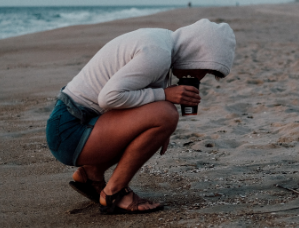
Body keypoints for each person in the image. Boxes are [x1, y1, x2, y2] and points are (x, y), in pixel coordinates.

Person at [46, 19, 236, 213]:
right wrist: (164, 97)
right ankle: (114, 193)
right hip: (69, 131)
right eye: (204, 68)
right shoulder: (157, 53)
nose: (201, 77)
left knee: (164, 116)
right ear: (196, 53)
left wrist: (159, 130)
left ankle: (91, 174)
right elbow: (109, 98)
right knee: (166, 114)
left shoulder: (162, 42)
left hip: (75, 124)